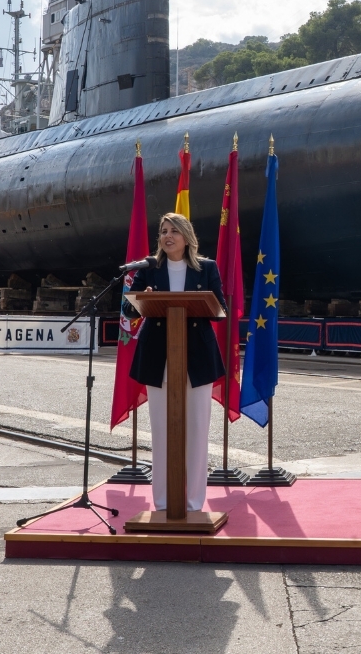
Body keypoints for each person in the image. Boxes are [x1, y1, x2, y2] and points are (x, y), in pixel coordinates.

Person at [128, 213, 226, 513]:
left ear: (186, 236)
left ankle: (194, 503)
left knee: (197, 430)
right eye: (163, 231)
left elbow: (221, 308)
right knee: (161, 432)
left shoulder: (206, 268)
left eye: (173, 231)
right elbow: (129, 310)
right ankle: (162, 502)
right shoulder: (149, 269)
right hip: (158, 357)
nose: (167, 236)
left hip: (197, 357)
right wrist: (140, 298)